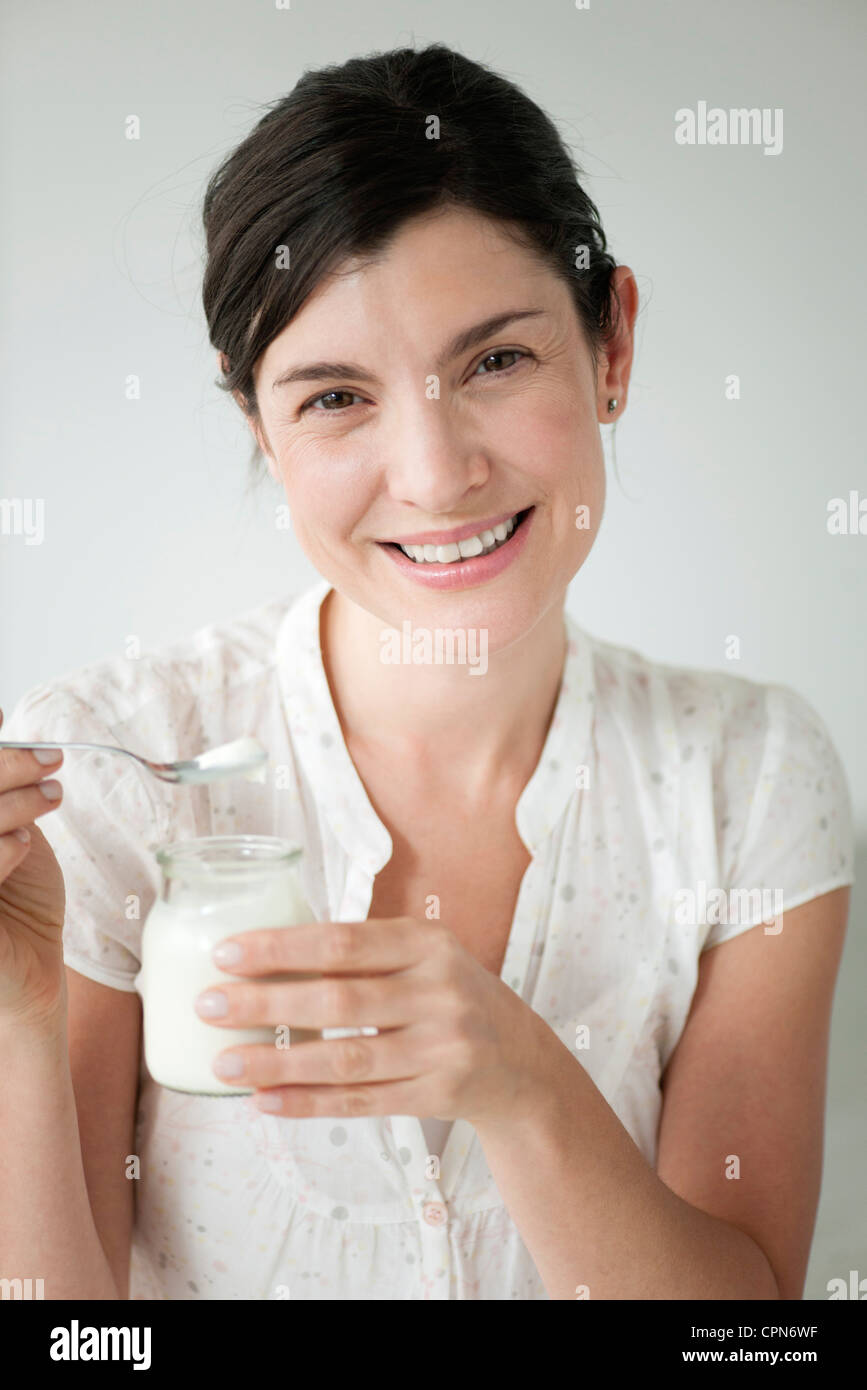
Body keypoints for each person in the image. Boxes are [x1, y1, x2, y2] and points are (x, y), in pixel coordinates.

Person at [0, 42, 853, 1302]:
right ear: (263, 432)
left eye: (496, 361)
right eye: (336, 396)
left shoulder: (754, 778)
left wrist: (519, 1078)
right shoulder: (111, 769)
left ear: (610, 343)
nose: (435, 471)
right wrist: (18, 1035)